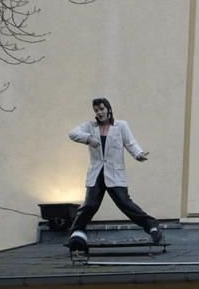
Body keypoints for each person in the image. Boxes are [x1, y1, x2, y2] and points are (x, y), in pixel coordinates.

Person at [66, 97, 163, 249]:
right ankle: (77, 233)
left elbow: (130, 143)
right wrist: (89, 138)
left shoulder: (121, 126)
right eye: (96, 110)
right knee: (90, 205)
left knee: (125, 204)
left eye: (102, 109)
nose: (99, 113)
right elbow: (72, 133)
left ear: (108, 109)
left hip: (114, 174)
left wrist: (138, 154)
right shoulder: (90, 127)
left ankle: (152, 226)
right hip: (97, 174)